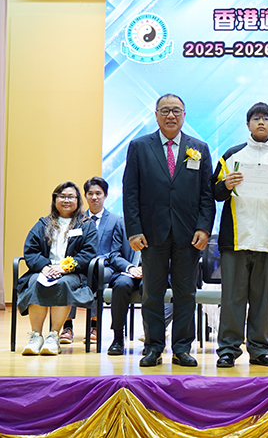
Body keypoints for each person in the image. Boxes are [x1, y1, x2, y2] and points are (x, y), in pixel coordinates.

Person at [122, 93, 215, 367]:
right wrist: (134, 230)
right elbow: (130, 192)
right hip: (151, 234)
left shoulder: (199, 147)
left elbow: (206, 194)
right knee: (152, 293)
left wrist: (204, 228)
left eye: (176, 110)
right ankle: (153, 347)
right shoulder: (139, 146)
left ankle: (182, 348)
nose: (170, 115)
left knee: (186, 293)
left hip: (188, 234)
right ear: (156, 115)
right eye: (165, 111)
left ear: (184, 115)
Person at [213, 102, 268, 368]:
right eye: (256, 118)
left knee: (263, 299)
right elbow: (215, 192)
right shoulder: (232, 155)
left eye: (266, 118)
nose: (261, 122)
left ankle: (260, 349)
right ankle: (228, 349)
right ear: (247, 124)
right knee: (232, 298)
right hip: (236, 238)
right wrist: (226, 185)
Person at [19, 182, 98, 356]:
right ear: (55, 199)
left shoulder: (86, 225)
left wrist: (64, 268)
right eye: (62, 196)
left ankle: (54, 336)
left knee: (62, 284)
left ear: (78, 200)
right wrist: (45, 266)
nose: (66, 200)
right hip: (44, 270)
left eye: (71, 197)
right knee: (35, 282)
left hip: (72, 273)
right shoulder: (43, 224)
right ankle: (36, 336)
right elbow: (31, 250)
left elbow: (88, 253)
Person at [69, 176, 141, 356]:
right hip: (81, 264)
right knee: (70, 278)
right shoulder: (77, 220)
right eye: (90, 194)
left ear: (105, 195)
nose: (94, 197)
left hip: (106, 266)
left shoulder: (116, 220)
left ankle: (94, 325)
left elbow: (115, 250)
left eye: (98, 193)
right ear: (85, 196)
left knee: (96, 275)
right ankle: (67, 326)